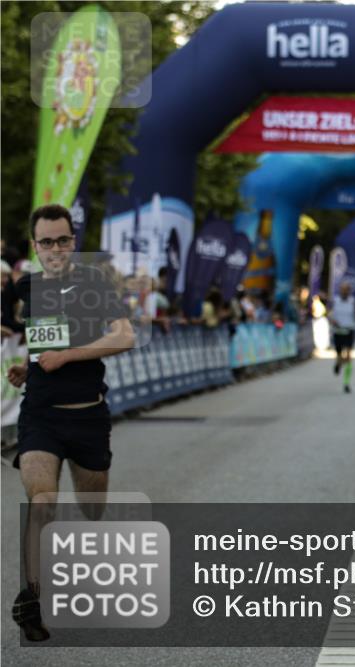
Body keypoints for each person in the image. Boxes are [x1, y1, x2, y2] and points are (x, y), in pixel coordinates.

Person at [7, 204, 136, 641]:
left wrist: (66, 357)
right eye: (47, 242)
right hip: (40, 416)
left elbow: (125, 335)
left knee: (93, 508)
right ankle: (32, 599)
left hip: (88, 417)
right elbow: (43, 342)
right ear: (35, 245)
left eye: (63, 240)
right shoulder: (27, 288)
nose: (56, 249)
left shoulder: (94, 283)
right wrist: (32, 366)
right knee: (42, 502)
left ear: (72, 241)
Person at [329, 282, 355, 393]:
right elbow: (329, 313)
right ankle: (338, 363)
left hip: (349, 330)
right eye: (342, 289)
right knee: (339, 355)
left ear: (349, 291)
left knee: (348, 356)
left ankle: (346, 383)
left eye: (346, 289)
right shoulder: (335, 301)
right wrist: (332, 320)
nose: (344, 291)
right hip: (338, 331)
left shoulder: (353, 301)